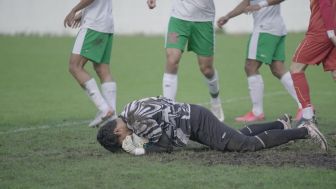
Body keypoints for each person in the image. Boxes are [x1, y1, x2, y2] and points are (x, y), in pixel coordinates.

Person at [96, 96, 327, 155]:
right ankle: (281, 123)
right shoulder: (128, 110)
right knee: (233, 136)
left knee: (243, 145)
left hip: (195, 122)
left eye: (120, 140)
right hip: (192, 119)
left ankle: (304, 130)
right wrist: (144, 139)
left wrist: (138, 150)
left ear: (117, 130)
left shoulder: (136, 121)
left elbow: (165, 146)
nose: (124, 140)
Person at [217, 0, 302, 122]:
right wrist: (228, 16)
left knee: (250, 66)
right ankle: (304, 106)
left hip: (265, 29)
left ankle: (257, 112)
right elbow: (247, 2)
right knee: (278, 68)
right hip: (275, 27)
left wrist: (260, 5)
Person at [146, 0, 225, 121]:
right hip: (179, 18)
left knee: (207, 69)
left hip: (204, 19)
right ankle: (168, 110)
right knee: (172, 60)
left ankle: (216, 102)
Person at [64, 0, 117, 127]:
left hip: (94, 25)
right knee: (102, 69)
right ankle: (112, 118)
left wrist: (74, 10)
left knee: (75, 66)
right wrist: (84, 13)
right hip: (105, 24)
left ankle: (104, 108)